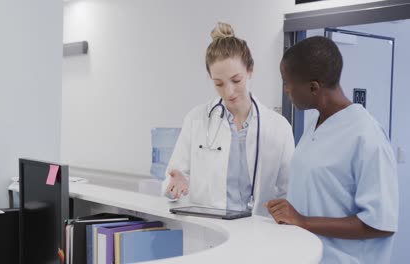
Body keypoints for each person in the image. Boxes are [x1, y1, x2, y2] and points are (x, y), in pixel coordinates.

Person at [265, 36, 398, 263]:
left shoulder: (366, 136)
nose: (286, 89)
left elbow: (381, 223)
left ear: (313, 87)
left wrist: (303, 221)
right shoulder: (315, 126)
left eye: (288, 83)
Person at [162, 22, 295, 217]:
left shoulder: (278, 127)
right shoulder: (196, 120)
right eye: (219, 84)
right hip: (210, 230)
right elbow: (173, 179)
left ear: (250, 70)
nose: (229, 91)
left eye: (236, 80)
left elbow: (289, 190)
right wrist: (174, 186)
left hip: (260, 232)